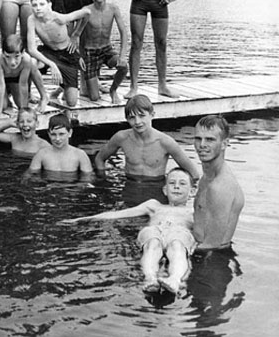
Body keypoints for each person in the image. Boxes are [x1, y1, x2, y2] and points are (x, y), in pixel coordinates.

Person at [60, 168, 196, 295]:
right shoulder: (154, 205)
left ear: (191, 191)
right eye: (172, 183)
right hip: (155, 230)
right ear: (165, 190)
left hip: (179, 232)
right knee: (152, 243)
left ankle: (175, 280)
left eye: (182, 183)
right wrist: (84, 218)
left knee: (177, 246)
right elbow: (119, 214)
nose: (176, 186)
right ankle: (150, 278)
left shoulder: (194, 212)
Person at [95, 94, 199, 183]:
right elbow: (99, 158)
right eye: (132, 118)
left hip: (155, 187)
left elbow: (193, 173)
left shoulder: (165, 142)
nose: (137, 122)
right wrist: (103, 180)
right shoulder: (121, 138)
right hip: (131, 186)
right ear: (126, 119)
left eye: (141, 116)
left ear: (152, 115)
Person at [26, 0, 90, 107]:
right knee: (31, 62)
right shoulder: (32, 20)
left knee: (71, 102)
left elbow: (87, 12)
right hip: (49, 52)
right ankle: (44, 96)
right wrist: (52, 65)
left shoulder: (60, 18)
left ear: (49, 5)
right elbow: (31, 49)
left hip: (67, 54)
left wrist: (76, 34)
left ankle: (61, 88)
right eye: (34, 5)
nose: (38, 8)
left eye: (42, 4)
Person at [193, 115, 244, 251]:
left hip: (212, 261)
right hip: (204, 251)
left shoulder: (220, 186)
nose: (202, 145)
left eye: (210, 139)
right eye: (198, 138)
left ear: (224, 143)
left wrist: (172, 248)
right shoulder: (207, 177)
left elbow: (212, 245)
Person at [80, 0, 128, 104]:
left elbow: (124, 32)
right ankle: (91, 84)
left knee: (124, 66)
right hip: (90, 52)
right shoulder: (86, 11)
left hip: (106, 50)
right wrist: (80, 57)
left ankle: (113, 90)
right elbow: (77, 35)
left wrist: (122, 55)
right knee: (94, 97)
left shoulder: (113, 9)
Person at [0, 34, 49, 115]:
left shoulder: (26, 60)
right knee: (3, 106)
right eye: (8, 57)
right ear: (3, 53)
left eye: (16, 56)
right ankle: (6, 97)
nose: (12, 62)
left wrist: (24, 111)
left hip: (15, 75)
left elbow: (23, 85)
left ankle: (44, 96)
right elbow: (0, 84)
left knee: (20, 104)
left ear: (22, 53)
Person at [29, 113, 93, 176]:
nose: (57, 138)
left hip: (71, 185)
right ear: (48, 134)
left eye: (61, 134)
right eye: (53, 134)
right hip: (49, 185)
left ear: (70, 133)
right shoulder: (41, 154)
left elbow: (88, 178)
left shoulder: (80, 155)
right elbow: (31, 175)